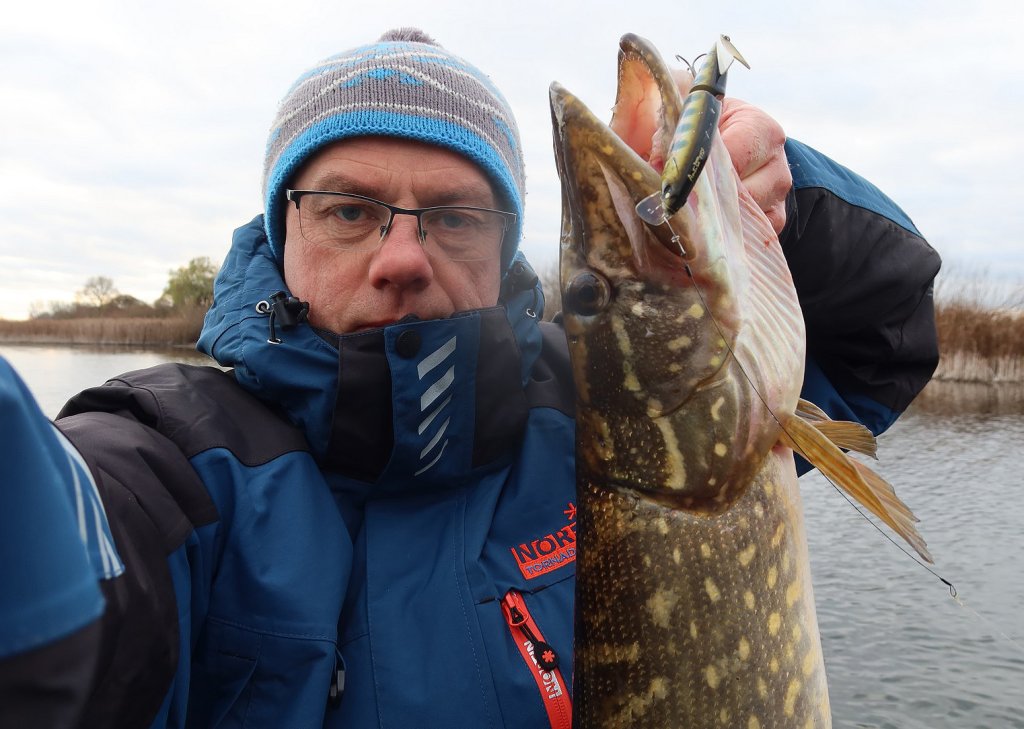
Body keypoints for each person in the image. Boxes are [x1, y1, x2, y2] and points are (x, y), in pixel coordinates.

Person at [0, 27, 941, 728]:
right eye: (348, 209)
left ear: (504, 255)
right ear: (281, 232)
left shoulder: (612, 431)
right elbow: (60, 591)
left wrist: (782, 201)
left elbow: (882, 329)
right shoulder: (175, 467)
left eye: (453, 217)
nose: (402, 255)